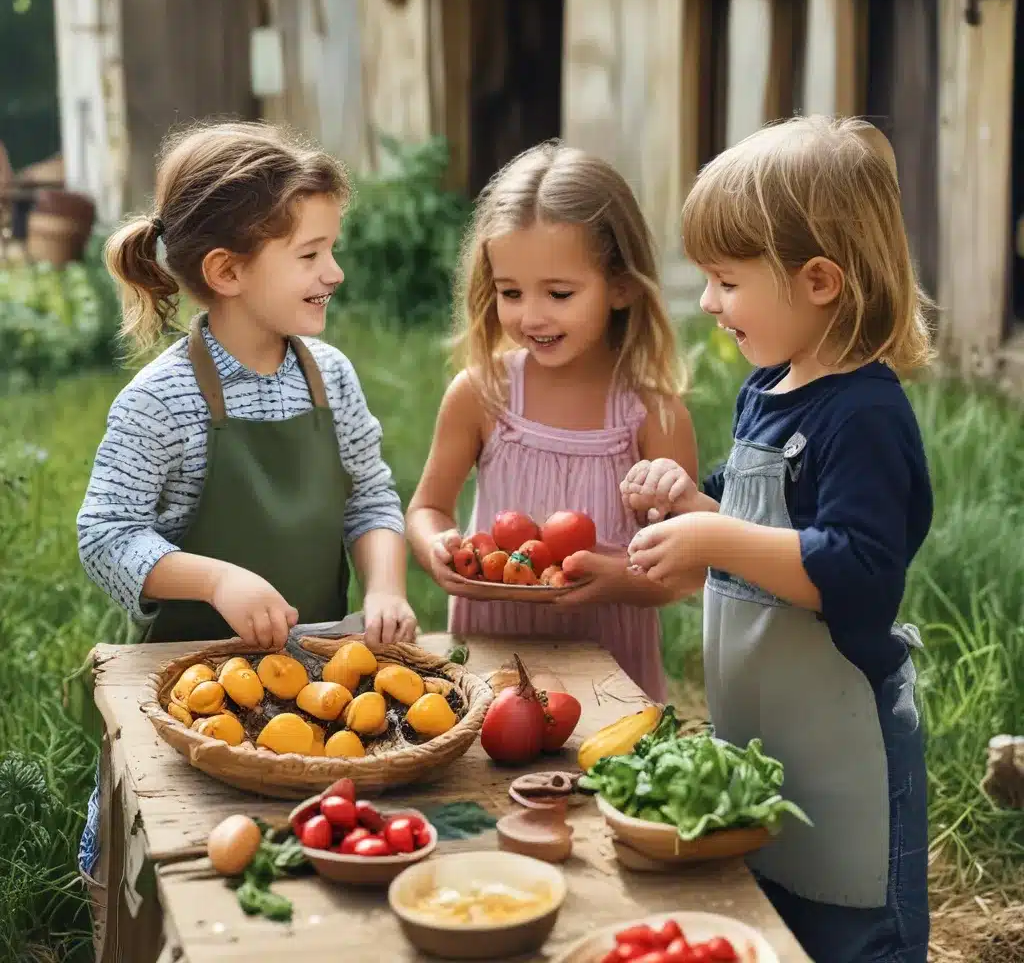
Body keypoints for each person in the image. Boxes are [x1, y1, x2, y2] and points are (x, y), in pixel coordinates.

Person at [75, 120, 414, 943]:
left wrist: (385, 584)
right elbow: (105, 534)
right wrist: (215, 579)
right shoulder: (162, 401)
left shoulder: (328, 375)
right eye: (310, 255)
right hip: (191, 687)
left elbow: (369, 495)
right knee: (175, 848)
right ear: (226, 271)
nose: (333, 272)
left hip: (317, 675)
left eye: (332, 249)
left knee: (303, 868)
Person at [622, 116, 932, 963]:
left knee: (855, 926)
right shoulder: (771, 387)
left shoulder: (864, 414)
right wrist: (688, 497)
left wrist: (712, 535)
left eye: (726, 281)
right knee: (781, 909)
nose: (709, 304)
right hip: (765, 728)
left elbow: (861, 572)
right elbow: (751, 513)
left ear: (820, 280)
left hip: (845, 745)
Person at [405, 141, 699, 701]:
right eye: (510, 293)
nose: (531, 316)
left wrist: (622, 578)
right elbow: (427, 507)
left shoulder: (651, 413)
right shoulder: (481, 393)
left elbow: (685, 569)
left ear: (620, 286)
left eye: (559, 294)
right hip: (492, 661)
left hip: (613, 669)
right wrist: (437, 549)